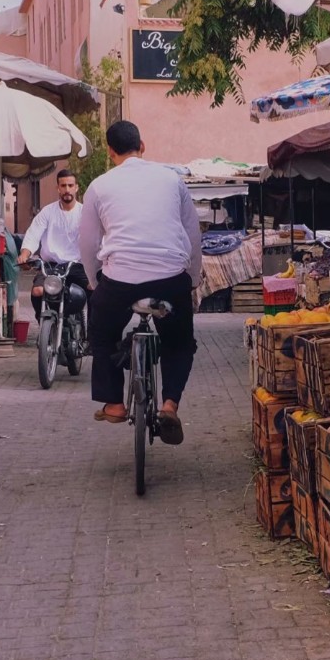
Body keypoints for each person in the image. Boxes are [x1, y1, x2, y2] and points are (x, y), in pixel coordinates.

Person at [78, 120, 201, 444]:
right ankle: (170, 405)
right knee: (179, 343)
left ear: (109, 151)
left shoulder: (99, 186)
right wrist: (192, 278)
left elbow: (88, 243)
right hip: (170, 278)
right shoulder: (172, 180)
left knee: (102, 337)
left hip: (120, 280)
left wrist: (94, 282)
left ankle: (115, 404)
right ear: (142, 146)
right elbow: (192, 234)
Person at [19, 166, 88, 316]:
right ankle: (44, 321)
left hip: (77, 265)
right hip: (51, 266)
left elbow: (95, 237)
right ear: (58, 188)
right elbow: (33, 234)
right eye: (63, 186)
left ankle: (93, 332)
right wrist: (25, 254)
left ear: (76, 188)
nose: (67, 189)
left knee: (93, 288)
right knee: (37, 291)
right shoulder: (48, 212)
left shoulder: (85, 213)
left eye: (70, 185)